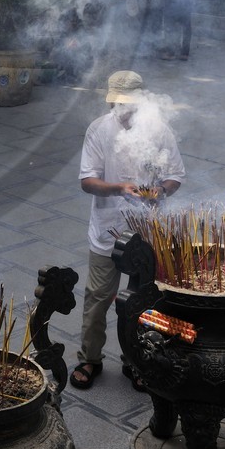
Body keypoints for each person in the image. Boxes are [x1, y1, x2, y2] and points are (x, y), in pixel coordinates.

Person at [70, 70, 184, 391]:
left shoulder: (159, 130)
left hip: (146, 234)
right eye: (119, 103)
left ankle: (137, 360)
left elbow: (175, 173)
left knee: (143, 302)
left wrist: (161, 190)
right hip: (107, 231)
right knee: (98, 298)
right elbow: (87, 180)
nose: (125, 109)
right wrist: (121, 187)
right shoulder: (99, 130)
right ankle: (90, 357)